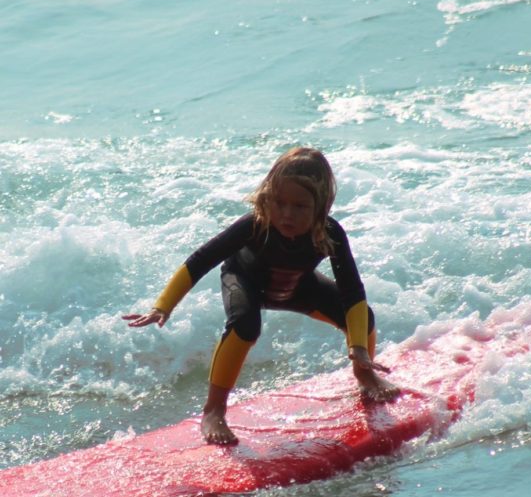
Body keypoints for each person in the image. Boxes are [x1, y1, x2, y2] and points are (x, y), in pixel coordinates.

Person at [123, 147, 400, 445]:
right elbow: (202, 259)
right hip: (245, 281)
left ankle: (365, 374)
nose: (287, 214)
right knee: (245, 325)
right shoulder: (254, 225)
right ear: (268, 197)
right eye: (279, 202)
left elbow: (352, 291)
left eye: (300, 206)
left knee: (362, 316)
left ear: (320, 207)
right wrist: (163, 306)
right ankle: (214, 410)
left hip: (297, 288)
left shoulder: (330, 233)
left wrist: (358, 346)